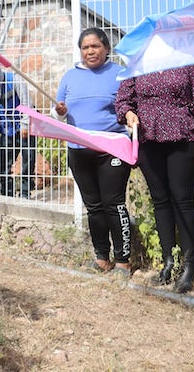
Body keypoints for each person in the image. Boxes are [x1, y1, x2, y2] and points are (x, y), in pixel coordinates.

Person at [115, 64, 194, 293]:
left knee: (183, 200)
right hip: (149, 140)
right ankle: (168, 261)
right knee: (160, 200)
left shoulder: (186, 63)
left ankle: (189, 265)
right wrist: (129, 113)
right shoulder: (137, 64)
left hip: (184, 138)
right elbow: (122, 100)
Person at [54, 28, 132, 274]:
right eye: (85, 47)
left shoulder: (120, 74)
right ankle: (101, 257)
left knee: (113, 204)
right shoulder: (69, 77)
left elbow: (129, 107)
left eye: (95, 46)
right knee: (94, 206)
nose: (90, 51)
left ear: (106, 48)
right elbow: (57, 113)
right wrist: (60, 111)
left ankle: (123, 260)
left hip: (112, 149)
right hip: (79, 150)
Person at [0, 66, 36, 198]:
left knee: (28, 160)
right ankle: (7, 194)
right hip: (7, 128)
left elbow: (27, 102)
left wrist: (24, 125)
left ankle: (24, 193)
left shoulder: (14, 79)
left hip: (26, 125)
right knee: (1, 164)